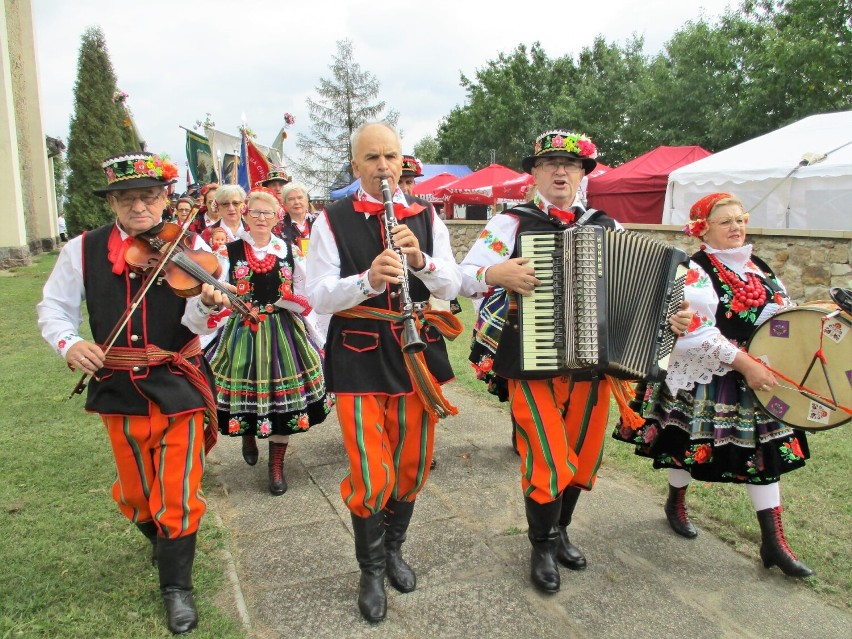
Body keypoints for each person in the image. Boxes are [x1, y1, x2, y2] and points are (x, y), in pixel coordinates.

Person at [460, 130, 690, 594]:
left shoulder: (607, 225)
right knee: (546, 457)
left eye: (571, 165)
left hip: (593, 367)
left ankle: (560, 530)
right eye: (549, 165)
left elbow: (655, 288)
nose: (560, 172)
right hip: (532, 361)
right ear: (536, 173)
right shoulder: (511, 223)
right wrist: (493, 272)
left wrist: (674, 316)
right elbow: (462, 278)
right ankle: (541, 545)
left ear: (583, 173)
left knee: (582, 458)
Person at [36, 151, 234, 635]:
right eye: (127, 198)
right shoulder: (81, 250)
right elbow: (53, 309)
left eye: (149, 195)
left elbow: (197, 327)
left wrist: (209, 306)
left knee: (178, 492)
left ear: (166, 197)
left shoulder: (196, 250)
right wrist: (71, 342)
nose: (139, 206)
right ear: (113, 204)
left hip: (178, 385)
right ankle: (160, 538)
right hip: (117, 387)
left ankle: (176, 589)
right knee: (134, 496)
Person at [306, 122, 462, 622]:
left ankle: (393, 548)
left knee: (412, 463)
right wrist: (368, 279)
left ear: (402, 162)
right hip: (358, 356)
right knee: (371, 469)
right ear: (356, 167)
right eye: (371, 158)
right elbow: (318, 295)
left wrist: (420, 260)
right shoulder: (331, 219)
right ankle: (371, 570)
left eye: (390, 157)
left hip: (416, 353)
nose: (382, 166)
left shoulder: (426, 214)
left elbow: (453, 282)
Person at [612, 192, 814, 578]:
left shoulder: (760, 267)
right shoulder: (694, 269)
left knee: (763, 456)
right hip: (711, 374)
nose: (737, 227)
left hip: (757, 374)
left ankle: (773, 542)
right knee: (687, 448)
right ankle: (676, 501)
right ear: (703, 228)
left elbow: (780, 315)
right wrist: (743, 362)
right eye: (726, 222)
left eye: (740, 219)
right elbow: (692, 332)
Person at [206, 187, 330, 495]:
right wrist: (223, 295)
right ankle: (248, 434)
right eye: (256, 212)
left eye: (268, 213)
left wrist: (294, 301)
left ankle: (276, 466)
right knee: (244, 388)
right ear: (246, 214)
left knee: (280, 399)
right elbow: (216, 293)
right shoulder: (229, 251)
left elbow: (305, 291)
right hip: (243, 330)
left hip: (283, 331)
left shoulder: (289, 249)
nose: (262, 218)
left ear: (278, 217)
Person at [277, 182, 315, 254]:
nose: (296, 202)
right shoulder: (278, 227)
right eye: (291, 199)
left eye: (300, 198)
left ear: (307, 200)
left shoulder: (318, 222)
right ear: (284, 203)